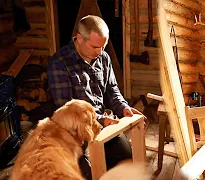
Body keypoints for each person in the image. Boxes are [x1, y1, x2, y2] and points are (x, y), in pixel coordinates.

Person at [47, 15, 143, 180]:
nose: (99, 52)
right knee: (87, 175)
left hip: (101, 125)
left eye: (103, 46)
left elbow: (112, 89)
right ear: (79, 38)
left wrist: (122, 106)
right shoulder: (59, 63)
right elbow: (67, 109)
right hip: (73, 131)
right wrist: (100, 120)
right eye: (94, 47)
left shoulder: (103, 58)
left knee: (127, 162)